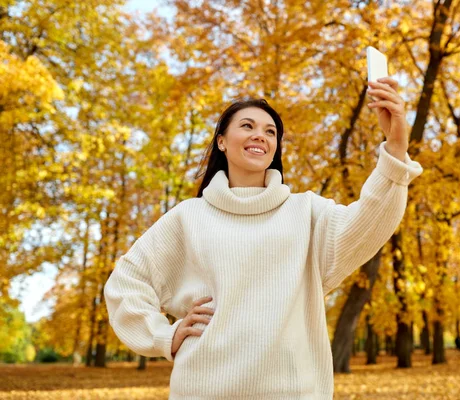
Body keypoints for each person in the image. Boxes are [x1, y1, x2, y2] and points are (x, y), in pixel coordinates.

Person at [104, 77, 423, 399]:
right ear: (222, 142)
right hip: (202, 390)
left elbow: (372, 221)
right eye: (247, 126)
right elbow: (126, 283)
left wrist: (395, 147)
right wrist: (164, 336)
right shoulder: (188, 217)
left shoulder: (307, 212)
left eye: (271, 132)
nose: (261, 135)